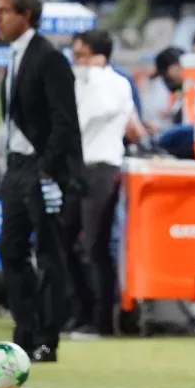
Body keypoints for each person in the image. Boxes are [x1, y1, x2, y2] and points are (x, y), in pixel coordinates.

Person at [0, 0, 85, 363]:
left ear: (25, 15)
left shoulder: (47, 57)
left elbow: (65, 121)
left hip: (42, 171)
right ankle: (23, 330)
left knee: (49, 255)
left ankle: (48, 338)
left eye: (3, 12)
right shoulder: (15, 56)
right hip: (16, 169)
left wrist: (48, 170)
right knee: (11, 251)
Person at [65, 29, 136, 337]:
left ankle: (101, 321)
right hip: (78, 168)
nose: (75, 61)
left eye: (79, 54)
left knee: (95, 245)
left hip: (102, 168)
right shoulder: (85, 81)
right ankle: (80, 312)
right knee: (64, 240)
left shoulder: (110, 83)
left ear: (97, 56)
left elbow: (81, 121)